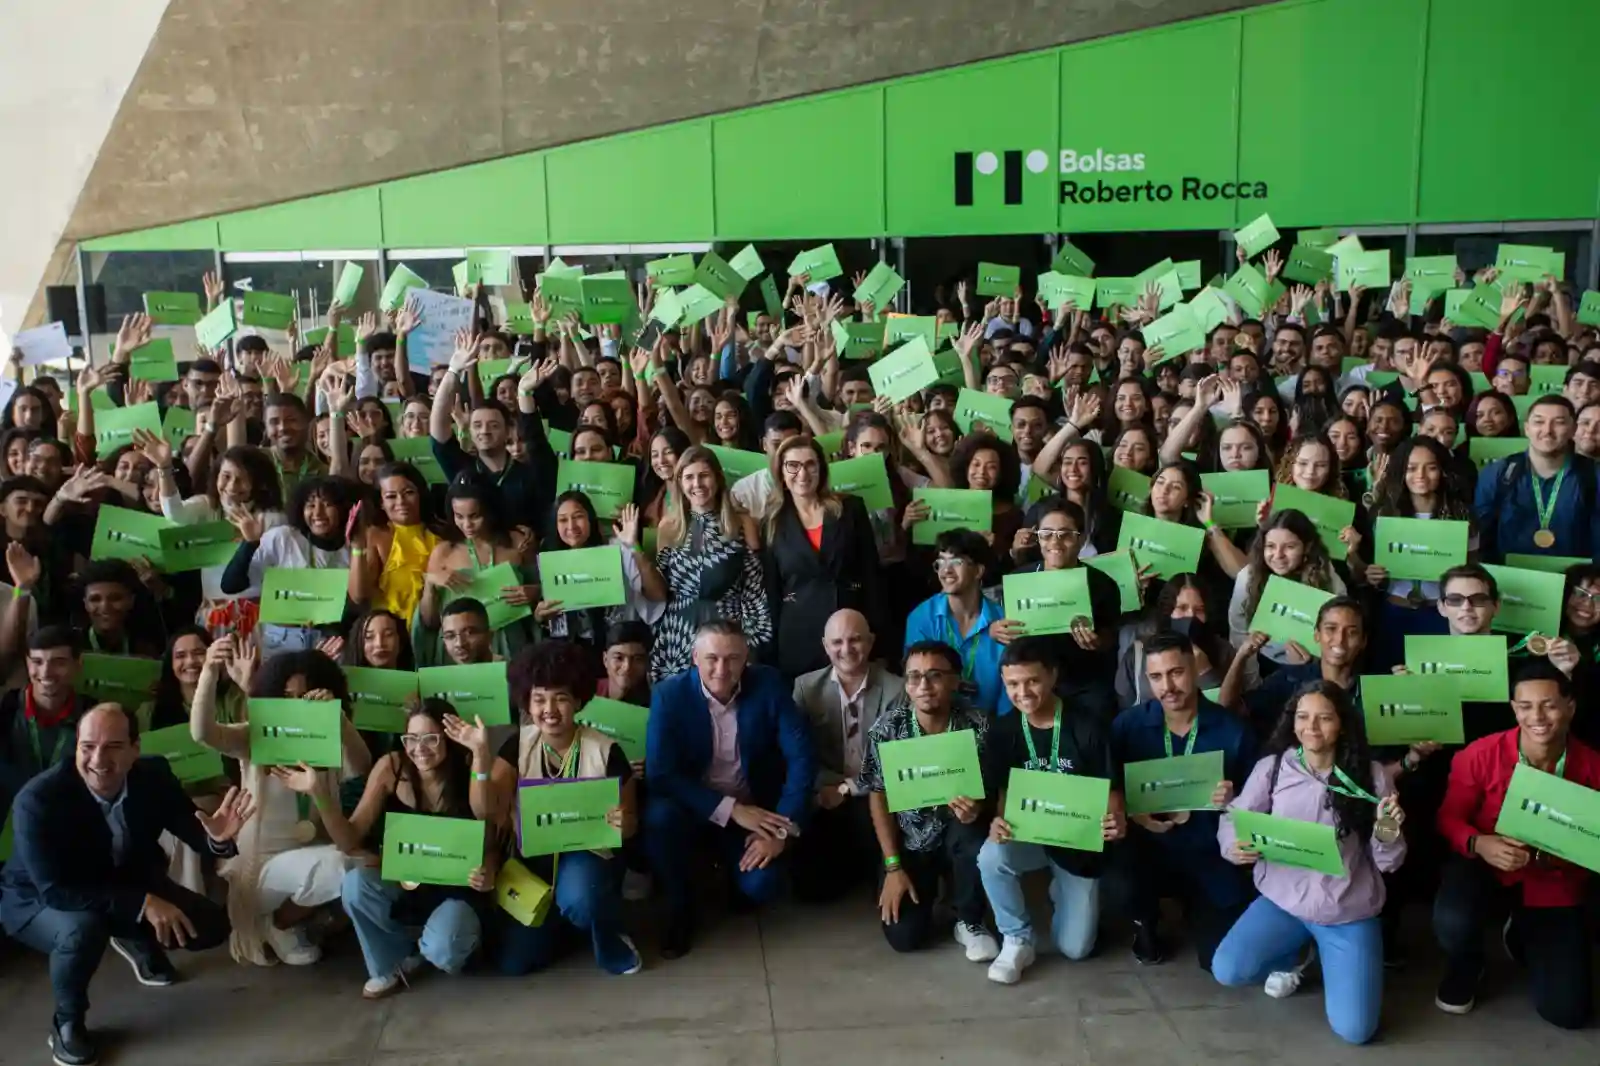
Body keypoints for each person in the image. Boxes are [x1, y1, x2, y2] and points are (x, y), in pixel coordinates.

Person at [0, 704, 255, 1066]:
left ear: (135, 748)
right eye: (87, 746)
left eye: (113, 746)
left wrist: (216, 838)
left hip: (117, 880)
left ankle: (130, 934)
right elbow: (55, 890)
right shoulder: (38, 799)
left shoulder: (153, 774)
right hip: (37, 898)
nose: (98, 759)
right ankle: (67, 1023)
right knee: (82, 929)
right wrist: (142, 903)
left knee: (210, 926)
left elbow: (194, 828)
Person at [1212, 682, 1406, 1045]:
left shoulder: (1372, 776)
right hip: (1283, 903)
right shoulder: (1272, 768)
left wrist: (1388, 832)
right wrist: (1232, 846)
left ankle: (1333, 957)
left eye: (1324, 718)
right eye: (1303, 717)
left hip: (1345, 912)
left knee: (1356, 1031)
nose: (1311, 728)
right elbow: (1235, 818)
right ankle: (1294, 953)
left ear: (1343, 725)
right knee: (1227, 969)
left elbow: (1389, 863)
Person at [276, 698, 492, 998]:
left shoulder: (466, 765)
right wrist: (318, 792)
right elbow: (348, 838)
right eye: (411, 739)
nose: (420, 748)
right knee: (354, 884)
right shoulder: (391, 767)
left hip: (457, 890)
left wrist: (481, 753)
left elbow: (485, 816)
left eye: (431, 739)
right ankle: (391, 963)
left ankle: (441, 941)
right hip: (406, 884)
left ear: (449, 738)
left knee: (444, 952)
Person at [452, 640, 641, 975]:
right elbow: (486, 810)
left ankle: (605, 931)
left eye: (561, 698)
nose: (549, 709)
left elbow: (631, 825)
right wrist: (480, 757)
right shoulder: (518, 744)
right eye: (539, 699)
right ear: (527, 701)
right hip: (532, 860)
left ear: (579, 700)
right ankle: (567, 924)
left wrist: (622, 822)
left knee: (581, 897)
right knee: (515, 963)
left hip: (587, 855)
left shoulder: (606, 750)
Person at [1432, 661, 1598, 1029]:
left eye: (1549, 705)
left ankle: (1520, 933)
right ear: (1513, 709)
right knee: (1453, 918)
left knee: (1568, 1013)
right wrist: (1479, 843)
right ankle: (1468, 961)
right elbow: (1448, 818)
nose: (1537, 716)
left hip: (1554, 883)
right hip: (1485, 867)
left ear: (1570, 707)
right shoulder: (1480, 753)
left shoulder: (1593, 766)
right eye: (1525, 707)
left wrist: (1565, 855)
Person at [190, 640, 373, 966]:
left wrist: (338, 719)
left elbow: (361, 766)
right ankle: (277, 922)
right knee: (342, 865)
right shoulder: (255, 735)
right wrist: (208, 672)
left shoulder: (328, 738)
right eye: (286, 696)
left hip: (308, 860)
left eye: (307, 695)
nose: (297, 704)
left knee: (363, 866)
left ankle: (286, 923)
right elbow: (203, 733)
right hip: (260, 871)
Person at [643, 620, 815, 959]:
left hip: (753, 809)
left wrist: (782, 828)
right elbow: (661, 773)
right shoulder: (669, 694)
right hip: (694, 808)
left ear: (746, 658)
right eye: (712, 658)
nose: (721, 669)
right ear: (694, 657)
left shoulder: (768, 684)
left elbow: (802, 757)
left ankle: (736, 887)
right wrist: (730, 808)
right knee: (659, 817)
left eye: (732, 659)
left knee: (762, 885)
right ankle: (681, 906)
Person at [979, 638, 1125, 984]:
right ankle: (1017, 937)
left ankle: (1064, 889)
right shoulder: (1004, 730)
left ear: (1052, 676)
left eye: (1032, 680)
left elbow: (1112, 791)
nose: (1023, 692)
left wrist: (1115, 821)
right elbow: (1003, 791)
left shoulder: (1087, 725)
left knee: (1075, 949)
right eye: (1013, 684)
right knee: (990, 855)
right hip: (1028, 835)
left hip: (1077, 844)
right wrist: (998, 821)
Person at [1109, 632, 1255, 970]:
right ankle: (1144, 922)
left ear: (1195, 669)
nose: (1167, 686)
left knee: (1216, 960)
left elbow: (1258, 803)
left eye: (1176, 672)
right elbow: (1110, 790)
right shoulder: (1128, 725)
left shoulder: (1232, 731)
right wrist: (1132, 812)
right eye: (1156, 677)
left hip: (1209, 851)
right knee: (1118, 876)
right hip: (1148, 848)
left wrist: (1234, 800)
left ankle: (1196, 909)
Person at [858, 640, 994, 956]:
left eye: (934, 675)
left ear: (955, 680)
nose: (924, 686)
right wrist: (893, 867)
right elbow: (878, 797)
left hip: (961, 833)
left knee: (972, 836)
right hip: (911, 841)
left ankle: (969, 919)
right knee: (904, 938)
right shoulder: (887, 730)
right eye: (914, 677)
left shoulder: (978, 725)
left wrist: (979, 807)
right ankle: (933, 893)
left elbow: (995, 786)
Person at [788, 609, 906, 903]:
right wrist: (828, 787)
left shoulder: (896, 689)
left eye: (855, 640)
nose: (846, 650)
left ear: (871, 641)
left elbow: (896, 759)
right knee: (810, 893)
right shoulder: (805, 688)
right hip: (823, 789)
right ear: (825, 646)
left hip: (877, 793)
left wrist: (847, 788)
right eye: (837, 642)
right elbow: (796, 753)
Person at [991, 499, 1123, 723]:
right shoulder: (1017, 580)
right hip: (1031, 684)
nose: (1055, 541)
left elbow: (1111, 640)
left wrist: (1098, 642)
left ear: (1081, 539)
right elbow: (1007, 630)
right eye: (1047, 534)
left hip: (1082, 683)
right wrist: (995, 631)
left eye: (1065, 534)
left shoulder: (1103, 584)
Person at [763, 436, 883, 679]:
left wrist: (880, 637)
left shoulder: (851, 509)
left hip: (851, 631)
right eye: (793, 465)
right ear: (781, 474)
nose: (802, 473)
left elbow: (872, 575)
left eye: (810, 464)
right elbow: (772, 590)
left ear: (821, 469)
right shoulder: (771, 522)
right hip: (800, 635)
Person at [648, 447, 771, 680]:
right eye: (689, 477)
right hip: (678, 634)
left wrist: (754, 641)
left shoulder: (743, 523)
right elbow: (661, 590)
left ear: (717, 478)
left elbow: (755, 590)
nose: (697, 484)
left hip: (727, 631)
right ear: (680, 483)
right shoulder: (668, 527)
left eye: (704, 475)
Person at [1474, 395, 1600, 561]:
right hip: (1510, 578)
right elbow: (1481, 537)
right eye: (1539, 422)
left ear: (1573, 429)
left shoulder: (1593, 475)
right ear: (1527, 428)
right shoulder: (1498, 473)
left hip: (1574, 579)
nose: (1547, 430)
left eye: (1559, 422)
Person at [904, 530, 1010, 716]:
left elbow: (1011, 687)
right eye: (941, 562)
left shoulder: (1002, 621)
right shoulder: (921, 618)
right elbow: (916, 682)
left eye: (956, 562)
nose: (946, 571)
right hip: (938, 724)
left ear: (978, 571)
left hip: (994, 727)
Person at [598, 620, 652, 705]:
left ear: (647, 662)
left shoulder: (657, 706)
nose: (627, 667)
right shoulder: (585, 693)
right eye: (619, 658)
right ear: (605, 660)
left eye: (637, 659)